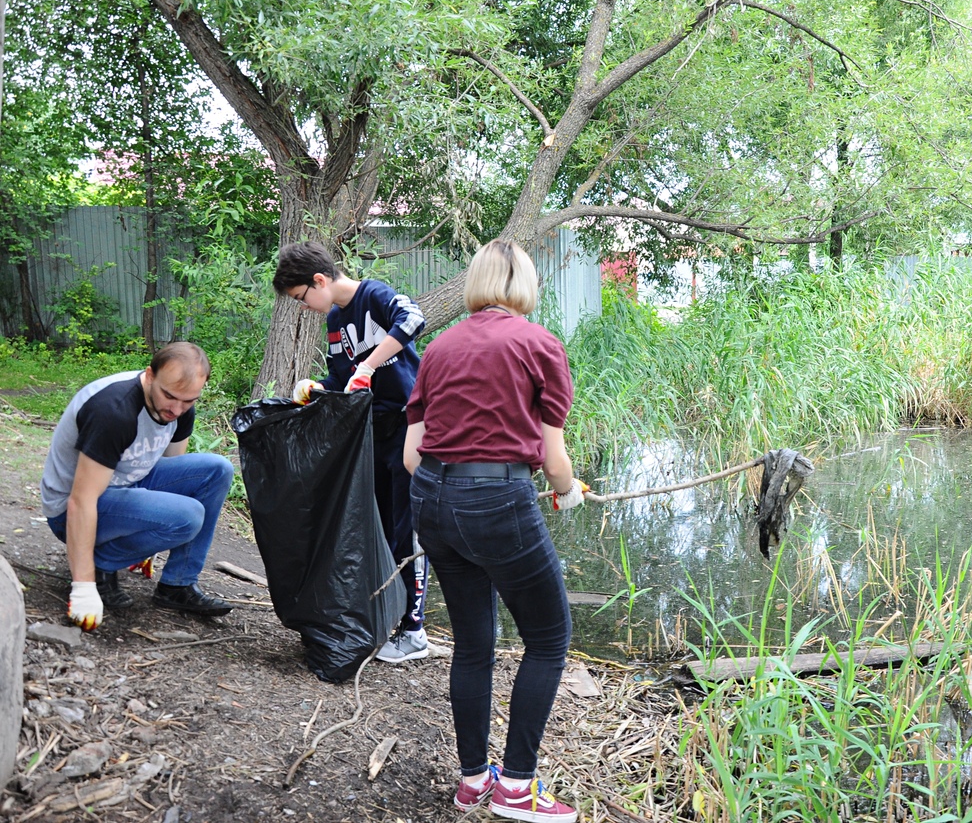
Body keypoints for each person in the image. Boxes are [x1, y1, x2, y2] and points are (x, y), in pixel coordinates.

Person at [404, 238, 587, 823]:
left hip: (430, 498)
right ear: (526, 286)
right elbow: (555, 462)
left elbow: (412, 454)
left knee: (473, 642)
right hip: (497, 501)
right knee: (549, 638)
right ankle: (516, 789)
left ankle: (472, 781)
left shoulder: (439, 347)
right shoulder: (539, 344)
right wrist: (566, 489)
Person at [272, 241, 450, 663]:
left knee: (408, 530)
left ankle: (415, 631)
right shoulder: (335, 320)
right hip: (375, 434)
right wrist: (315, 387)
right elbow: (344, 379)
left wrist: (370, 366)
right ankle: (392, 614)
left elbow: (414, 319)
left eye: (301, 298)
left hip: (411, 429)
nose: (303, 307)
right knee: (384, 528)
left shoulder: (375, 295)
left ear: (319, 280)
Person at [40, 342, 235, 631]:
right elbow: (81, 500)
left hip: (127, 484)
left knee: (217, 470)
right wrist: (83, 587)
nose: (177, 409)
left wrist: (151, 538)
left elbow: (172, 477)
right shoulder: (114, 411)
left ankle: (177, 586)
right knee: (188, 516)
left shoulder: (178, 407)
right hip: (70, 509)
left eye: (189, 401)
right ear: (150, 375)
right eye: (170, 396)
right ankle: (98, 566)